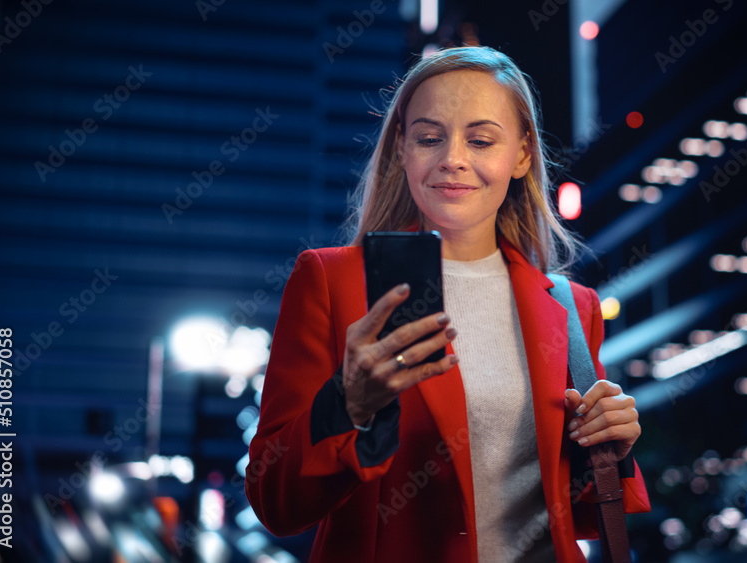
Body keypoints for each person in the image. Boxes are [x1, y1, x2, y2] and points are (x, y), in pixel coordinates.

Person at [245, 45, 650, 562]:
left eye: (481, 140)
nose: (453, 159)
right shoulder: (330, 280)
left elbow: (571, 506)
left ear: (522, 155)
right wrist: (347, 404)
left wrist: (610, 444)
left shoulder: (573, 306)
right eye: (429, 138)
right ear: (401, 148)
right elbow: (274, 500)